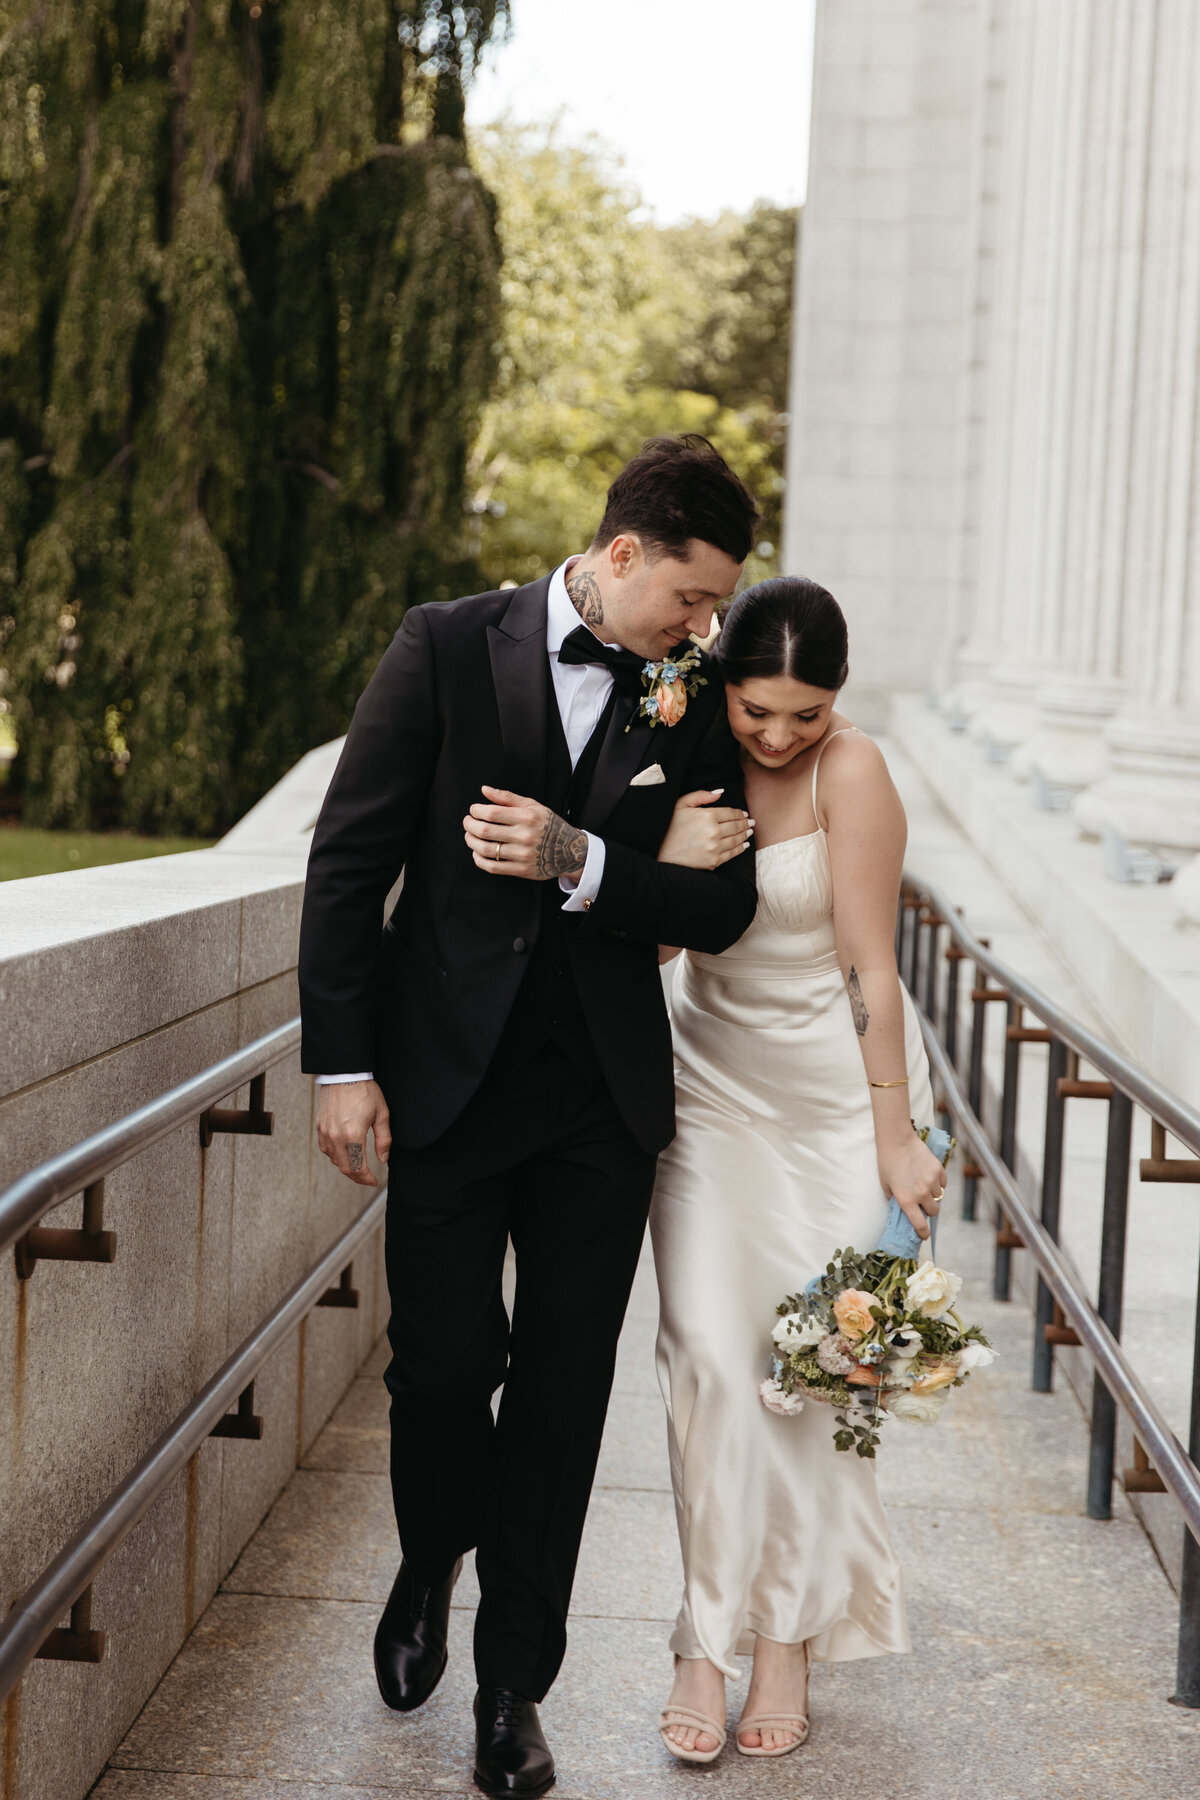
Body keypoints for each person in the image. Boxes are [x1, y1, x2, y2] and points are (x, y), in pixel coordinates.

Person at [297, 435, 760, 1799]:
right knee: (445, 1370)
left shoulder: (697, 694)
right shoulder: (444, 646)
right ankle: (431, 1550)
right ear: (620, 557)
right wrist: (340, 1065)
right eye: (689, 597)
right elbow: (351, 860)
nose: (706, 626)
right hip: (439, 1085)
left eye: (719, 605)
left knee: (562, 1401)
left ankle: (515, 1690)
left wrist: (589, 862)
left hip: (600, 1108)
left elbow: (719, 909)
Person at [648, 576, 947, 1764]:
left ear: (837, 700)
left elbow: (872, 968)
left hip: (838, 1098)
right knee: (713, 1361)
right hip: (711, 1088)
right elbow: (648, 933)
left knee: (814, 1377)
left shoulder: (854, 774)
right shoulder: (683, 741)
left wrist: (894, 1135)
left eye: (803, 715)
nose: (775, 735)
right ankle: (700, 1637)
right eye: (757, 709)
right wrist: (670, 849)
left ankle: (783, 1642)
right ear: (723, 678)